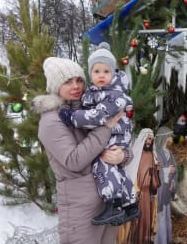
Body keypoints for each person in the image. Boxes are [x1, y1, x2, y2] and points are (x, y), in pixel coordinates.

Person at [31, 56, 129, 244]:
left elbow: (119, 141)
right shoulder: (51, 121)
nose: (75, 86)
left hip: (106, 204)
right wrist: (106, 127)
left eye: (79, 80)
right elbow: (74, 160)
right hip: (80, 210)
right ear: (55, 86)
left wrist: (123, 156)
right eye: (67, 82)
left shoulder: (92, 110)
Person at [59, 47, 139, 226]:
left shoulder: (115, 95)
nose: (101, 75)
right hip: (111, 135)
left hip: (115, 136)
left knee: (102, 165)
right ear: (90, 73)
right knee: (117, 170)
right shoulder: (96, 91)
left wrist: (72, 117)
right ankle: (130, 205)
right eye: (96, 71)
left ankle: (114, 204)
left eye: (106, 71)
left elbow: (98, 116)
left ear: (113, 73)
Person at [116, 128, 160, 244]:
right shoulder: (134, 155)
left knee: (145, 225)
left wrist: (157, 170)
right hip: (135, 195)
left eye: (151, 139)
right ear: (143, 139)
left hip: (146, 197)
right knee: (133, 226)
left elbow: (154, 181)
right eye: (147, 138)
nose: (149, 142)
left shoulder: (153, 155)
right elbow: (130, 173)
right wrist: (134, 191)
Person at [152, 126, 178, 244]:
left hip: (167, 190)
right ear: (164, 138)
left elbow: (175, 170)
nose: (170, 139)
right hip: (160, 192)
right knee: (160, 220)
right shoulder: (156, 152)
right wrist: (167, 171)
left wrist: (173, 181)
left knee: (166, 218)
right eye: (168, 137)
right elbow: (154, 171)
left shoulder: (169, 153)